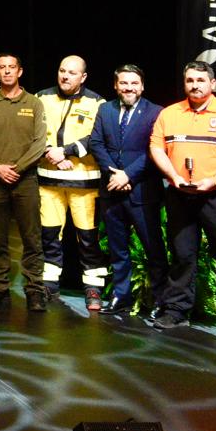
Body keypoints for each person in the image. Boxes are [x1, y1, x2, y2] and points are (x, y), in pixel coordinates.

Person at [149, 61, 216, 340]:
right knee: (182, 255)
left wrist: (215, 179)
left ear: (212, 84)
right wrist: (172, 175)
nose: (194, 85)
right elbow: (156, 147)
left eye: (200, 80)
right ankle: (176, 311)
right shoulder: (170, 113)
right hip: (180, 194)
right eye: (189, 80)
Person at [88, 63, 164, 318]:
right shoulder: (105, 109)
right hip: (112, 189)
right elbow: (96, 143)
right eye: (124, 83)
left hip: (142, 191)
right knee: (118, 249)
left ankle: (159, 301)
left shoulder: (156, 112)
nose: (128, 87)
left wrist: (128, 175)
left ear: (142, 86)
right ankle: (120, 297)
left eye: (134, 83)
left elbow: (153, 151)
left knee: (153, 249)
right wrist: (114, 175)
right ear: (115, 85)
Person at [0, 52, 48, 311]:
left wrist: (17, 168)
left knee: (32, 238)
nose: (7, 71)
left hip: (25, 179)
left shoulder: (34, 103)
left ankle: (35, 290)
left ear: (20, 71)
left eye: (11, 67)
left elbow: (41, 142)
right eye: (2, 68)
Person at [37, 54, 107, 311]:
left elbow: (97, 137)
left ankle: (93, 287)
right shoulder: (41, 97)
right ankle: (49, 284)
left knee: (88, 238)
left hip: (84, 182)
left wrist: (65, 152)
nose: (65, 76)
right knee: (49, 235)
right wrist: (51, 154)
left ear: (83, 77)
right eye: (62, 70)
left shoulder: (97, 102)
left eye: (72, 72)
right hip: (48, 179)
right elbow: (32, 131)